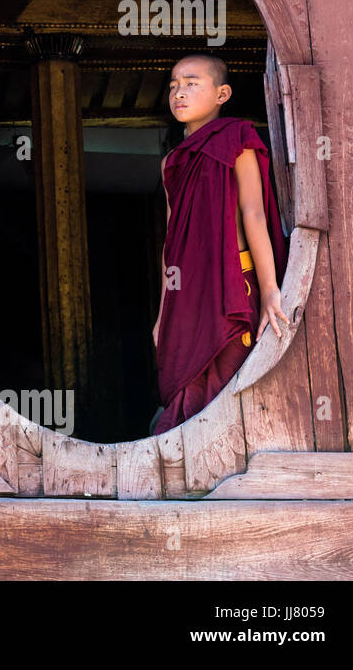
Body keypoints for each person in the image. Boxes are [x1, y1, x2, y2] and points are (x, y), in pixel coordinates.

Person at [150, 53, 288, 436]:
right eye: (174, 85)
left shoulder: (237, 139)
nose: (180, 93)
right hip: (187, 292)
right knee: (184, 383)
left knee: (227, 378)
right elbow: (171, 242)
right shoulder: (172, 163)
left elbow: (253, 213)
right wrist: (163, 314)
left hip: (233, 284)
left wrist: (270, 290)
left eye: (192, 83)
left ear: (222, 93)